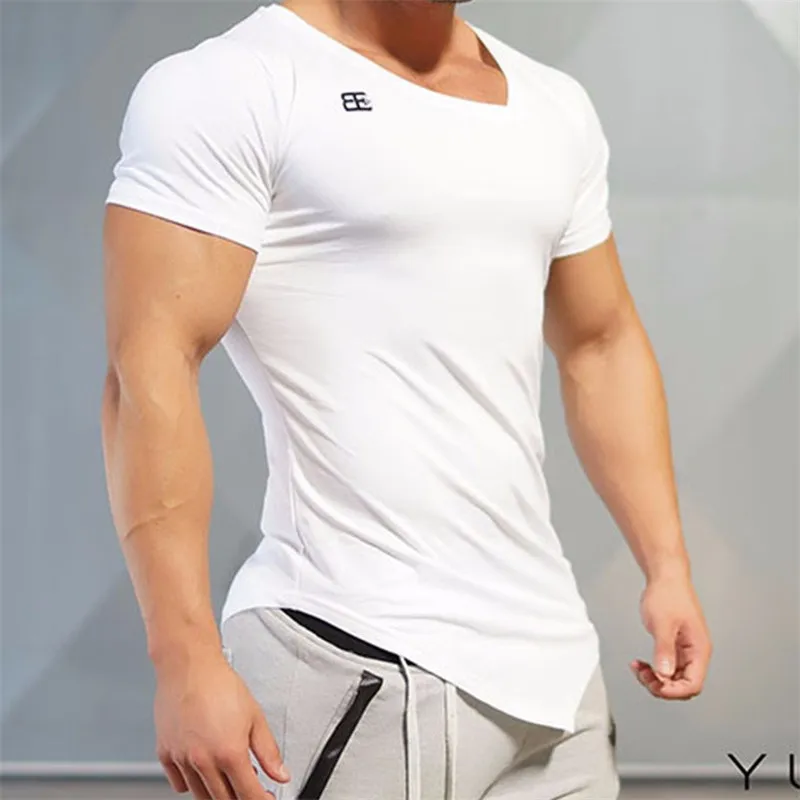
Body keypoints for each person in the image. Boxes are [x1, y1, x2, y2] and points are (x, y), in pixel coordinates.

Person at [101, 1, 713, 798]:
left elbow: (602, 343)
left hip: (557, 678)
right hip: (350, 653)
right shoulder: (233, 83)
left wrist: (666, 566)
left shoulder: (553, 104)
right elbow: (148, 368)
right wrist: (183, 659)